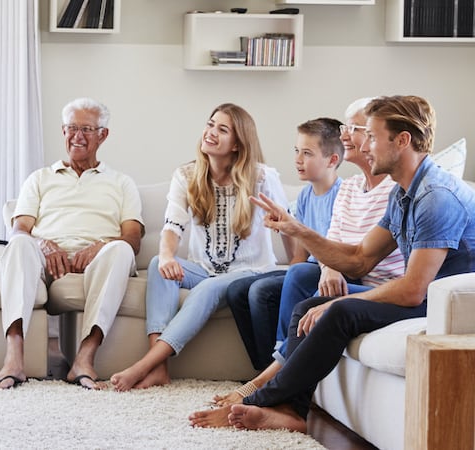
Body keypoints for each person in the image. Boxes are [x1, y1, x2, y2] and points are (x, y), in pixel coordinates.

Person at [190, 94, 475, 432]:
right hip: (422, 297)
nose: (363, 145)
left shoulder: (436, 197)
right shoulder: (403, 193)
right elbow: (360, 259)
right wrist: (299, 231)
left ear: (402, 141)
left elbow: (413, 290)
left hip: (445, 306)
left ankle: (259, 399)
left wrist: (341, 301)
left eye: (371, 136)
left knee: (338, 311)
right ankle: (293, 410)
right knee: (308, 306)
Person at [213, 97, 405, 406]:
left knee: (292, 280)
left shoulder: (396, 192)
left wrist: (325, 260)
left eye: (355, 129)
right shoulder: (352, 188)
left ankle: (272, 379)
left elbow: (361, 259)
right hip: (344, 274)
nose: (344, 135)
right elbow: (332, 244)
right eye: (345, 127)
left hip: (374, 285)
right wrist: (327, 263)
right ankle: (273, 373)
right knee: (276, 281)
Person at [109, 103, 291, 392]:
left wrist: (294, 266)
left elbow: (288, 225)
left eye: (222, 129)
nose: (211, 133)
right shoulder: (187, 176)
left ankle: (144, 365)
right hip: (205, 270)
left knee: (208, 288)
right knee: (158, 264)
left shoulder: (262, 177)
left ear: (237, 144)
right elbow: (172, 226)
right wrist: (167, 255)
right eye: (210, 124)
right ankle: (160, 369)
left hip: (252, 272)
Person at [0, 97, 144, 390]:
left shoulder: (121, 183)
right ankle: (14, 359)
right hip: (46, 255)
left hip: (99, 259)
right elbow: (20, 228)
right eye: (71, 128)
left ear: (103, 135)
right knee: (19, 244)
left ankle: (84, 359)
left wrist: (100, 245)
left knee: (121, 250)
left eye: (87, 129)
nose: (77, 136)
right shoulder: (39, 178)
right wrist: (44, 244)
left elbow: (133, 237)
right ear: (63, 131)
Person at [226, 117, 344, 371]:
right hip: (307, 271)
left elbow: (339, 252)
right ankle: (264, 368)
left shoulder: (343, 195)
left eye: (307, 153)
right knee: (236, 291)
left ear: (332, 160)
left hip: (329, 272)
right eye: (296, 151)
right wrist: (282, 228)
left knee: (261, 291)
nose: (298, 159)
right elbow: (298, 258)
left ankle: (282, 366)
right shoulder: (304, 197)